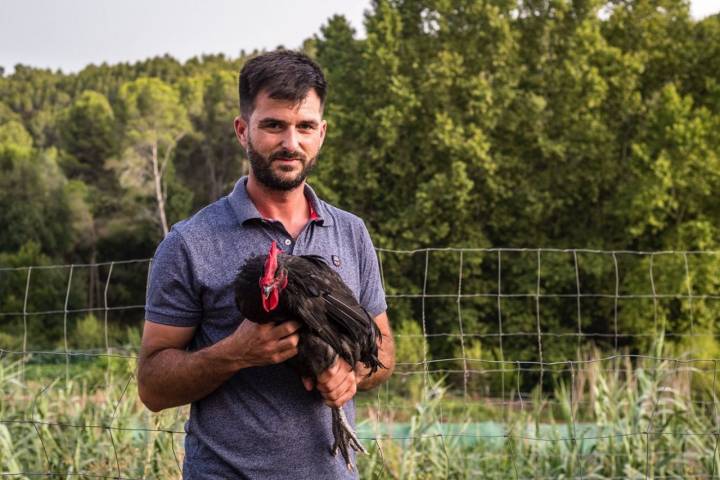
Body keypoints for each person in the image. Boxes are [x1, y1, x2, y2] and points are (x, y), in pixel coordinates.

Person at [137, 49, 395, 479]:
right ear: (243, 130)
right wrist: (232, 355)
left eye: (305, 127)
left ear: (322, 133)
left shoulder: (350, 232)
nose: (290, 143)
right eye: (274, 125)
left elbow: (383, 349)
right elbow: (152, 386)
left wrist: (350, 373)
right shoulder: (189, 242)